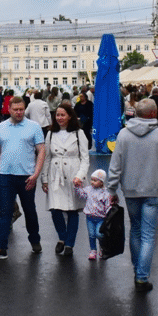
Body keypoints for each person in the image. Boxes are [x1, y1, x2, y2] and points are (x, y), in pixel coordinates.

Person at [106, 98, 158, 291]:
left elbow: (115, 165)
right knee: (148, 234)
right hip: (153, 190)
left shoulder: (124, 134)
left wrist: (112, 189)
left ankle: (138, 268)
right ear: (153, 114)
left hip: (131, 189)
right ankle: (142, 277)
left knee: (135, 229)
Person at [0, 97, 46, 261]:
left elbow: (41, 151)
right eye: (15, 109)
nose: (19, 112)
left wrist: (36, 174)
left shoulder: (34, 127)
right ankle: (0, 248)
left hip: (27, 177)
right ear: (9, 109)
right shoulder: (1, 127)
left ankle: (35, 240)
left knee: (29, 211)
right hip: (5, 176)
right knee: (4, 212)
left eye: (21, 109)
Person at [42, 102, 89, 257]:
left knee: (72, 210)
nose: (60, 118)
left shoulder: (78, 133)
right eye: (58, 115)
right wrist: (44, 179)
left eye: (63, 115)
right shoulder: (50, 133)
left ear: (70, 116)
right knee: (55, 209)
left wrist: (80, 176)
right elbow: (47, 158)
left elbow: (85, 158)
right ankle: (62, 237)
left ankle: (69, 243)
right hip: (55, 174)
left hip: (73, 174)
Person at [78, 170, 111, 260]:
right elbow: (82, 195)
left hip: (101, 218)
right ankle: (93, 250)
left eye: (95, 180)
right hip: (90, 217)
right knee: (91, 234)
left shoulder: (105, 193)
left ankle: (103, 247)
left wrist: (109, 215)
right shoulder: (89, 189)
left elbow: (108, 205)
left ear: (101, 182)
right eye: (92, 180)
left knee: (99, 234)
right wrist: (78, 187)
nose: (92, 182)